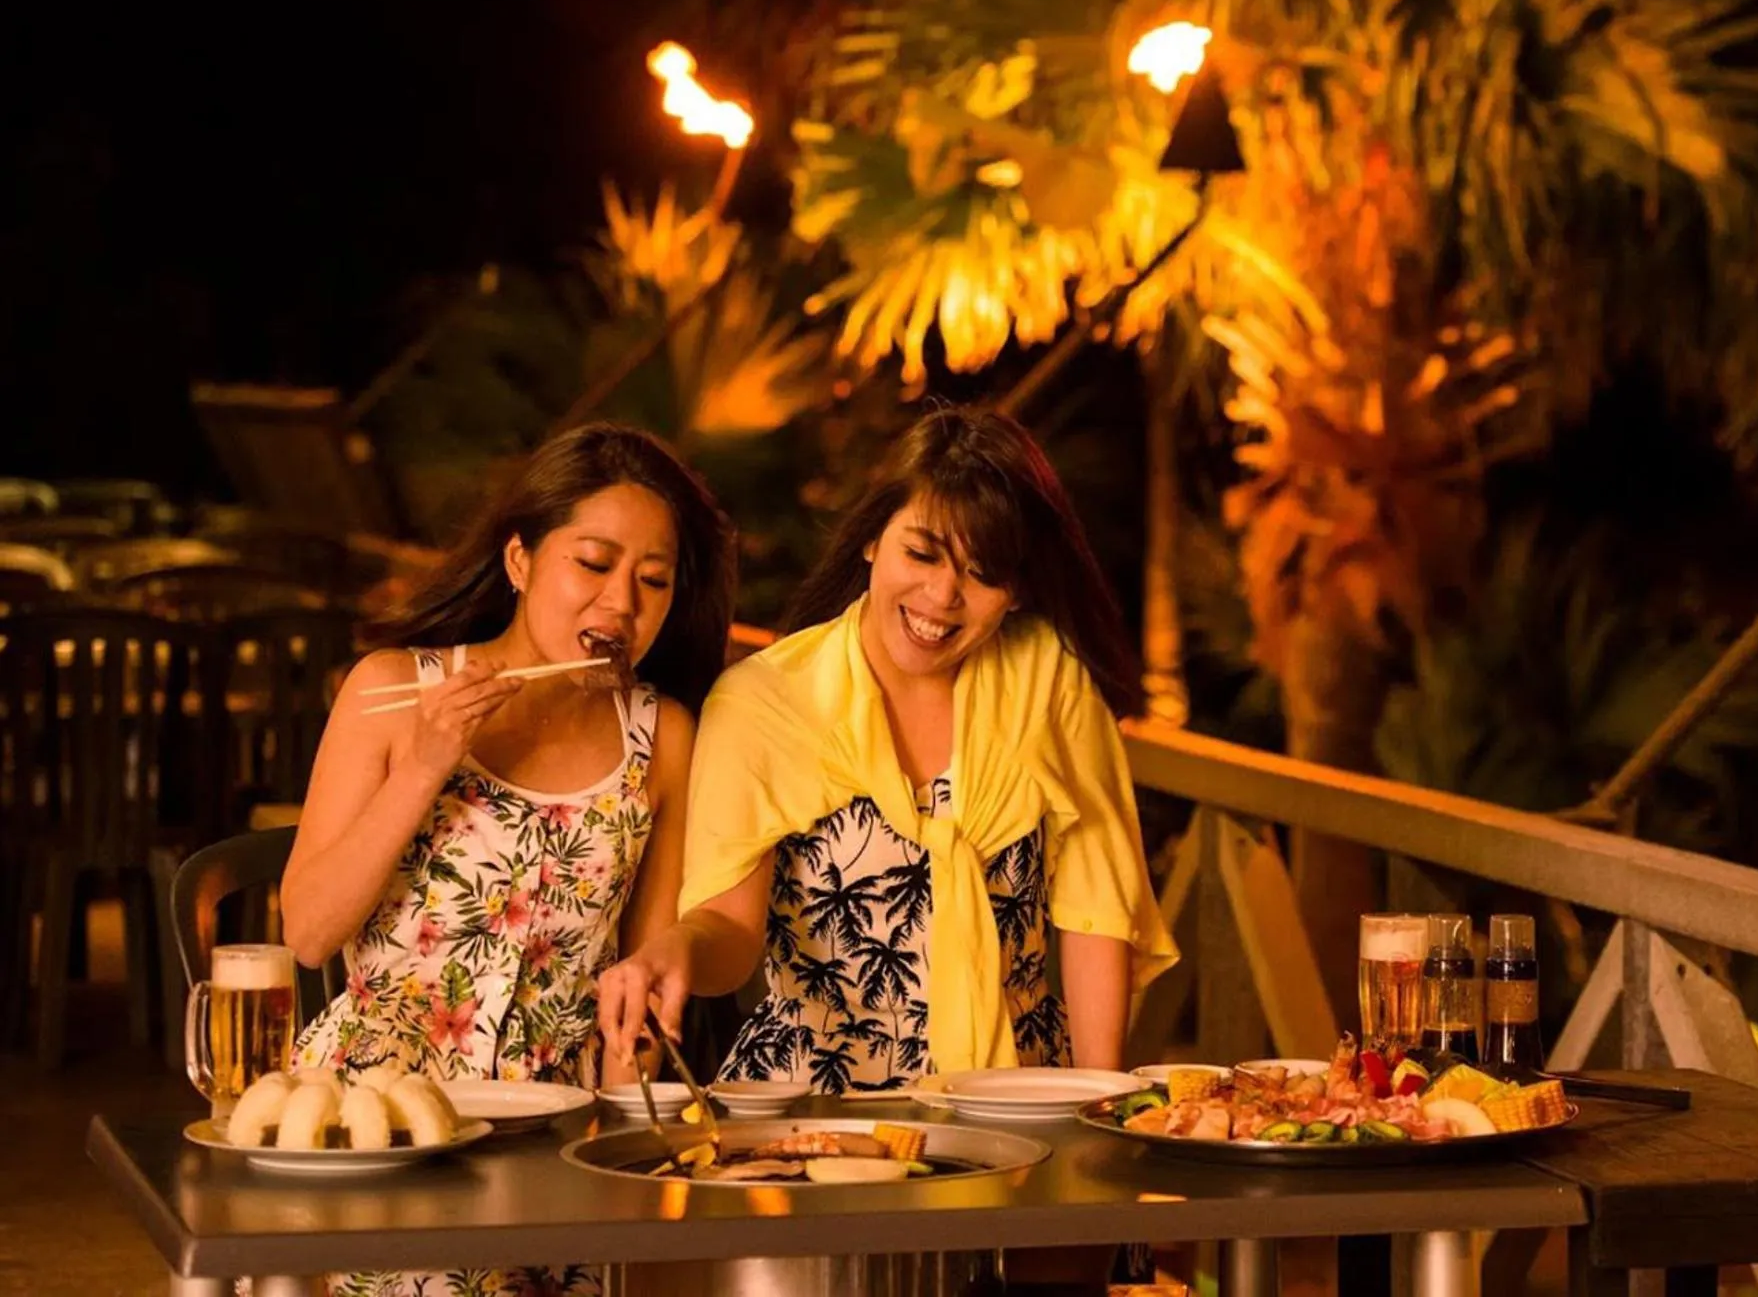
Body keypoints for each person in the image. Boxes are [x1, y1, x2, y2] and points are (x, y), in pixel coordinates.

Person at [280, 423, 734, 1297]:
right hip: (384, 1121)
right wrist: (422, 766)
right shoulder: (391, 689)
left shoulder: (661, 737)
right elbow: (307, 932)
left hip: (558, 1131)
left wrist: (629, 1150)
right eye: (592, 564)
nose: (621, 604)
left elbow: (636, 983)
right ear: (521, 560)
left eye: (653, 580)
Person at [599, 406, 1177, 1091]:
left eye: (982, 572)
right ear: (872, 539)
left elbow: (1095, 912)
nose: (941, 596)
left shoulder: (1050, 681)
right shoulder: (765, 699)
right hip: (811, 1103)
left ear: (1018, 590)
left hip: (1018, 1096)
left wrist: (1097, 1098)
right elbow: (729, 932)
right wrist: (678, 950)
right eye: (922, 553)